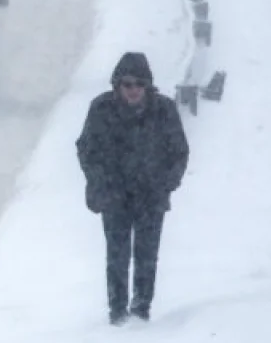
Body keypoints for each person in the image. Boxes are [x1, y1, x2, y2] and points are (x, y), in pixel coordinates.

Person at [76, 52, 190, 325]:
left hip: (151, 196)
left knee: (147, 255)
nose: (133, 90)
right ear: (118, 84)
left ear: (147, 86)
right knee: (116, 254)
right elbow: (86, 149)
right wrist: (100, 181)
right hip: (114, 194)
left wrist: (166, 183)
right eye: (127, 84)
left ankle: (141, 309)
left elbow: (179, 152)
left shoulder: (164, 111)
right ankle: (117, 312)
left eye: (139, 84)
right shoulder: (101, 109)